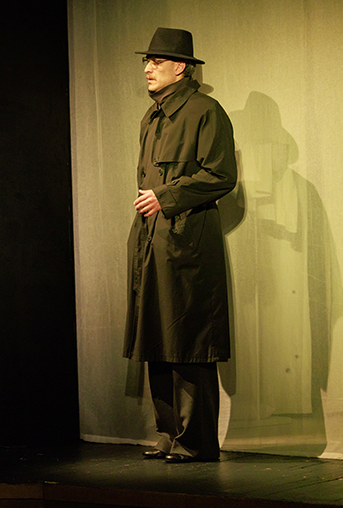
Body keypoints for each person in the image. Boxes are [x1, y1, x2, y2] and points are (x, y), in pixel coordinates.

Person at [124, 27, 237, 463]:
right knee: (156, 333)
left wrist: (166, 197)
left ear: (182, 67)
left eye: (157, 61)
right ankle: (169, 433)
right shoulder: (151, 117)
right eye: (147, 61)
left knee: (188, 339)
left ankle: (197, 441)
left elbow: (220, 175)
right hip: (151, 239)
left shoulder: (205, 111)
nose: (148, 68)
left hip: (186, 241)